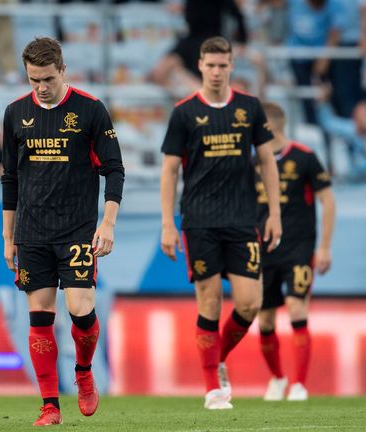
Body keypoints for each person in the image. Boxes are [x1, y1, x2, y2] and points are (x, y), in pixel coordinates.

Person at [1, 37, 124, 426]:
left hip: (77, 229)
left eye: (48, 78)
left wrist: (108, 222)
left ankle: (84, 371)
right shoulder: (15, 113)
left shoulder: (90, 110)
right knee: (39, 316)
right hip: (32, 232)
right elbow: (9, 178)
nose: (41, 86)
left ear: (63, 71)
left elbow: (114, 169)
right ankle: (49, 404)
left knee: (80, 310)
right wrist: (9, 237)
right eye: (34, 78)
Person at [159, 36, 282, 410]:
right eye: (209, 65)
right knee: (209, 302)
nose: (215, 72)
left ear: (231, 66)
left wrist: (274, 213)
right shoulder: (183, 113)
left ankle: (219, 356)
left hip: (243, 219)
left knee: (249, 303)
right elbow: (169, 170)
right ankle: (213, 387)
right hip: (199, 222)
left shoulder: (249, 108)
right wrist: (168, 222)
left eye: (222, 65)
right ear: (200, 66)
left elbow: (267, 161)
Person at [256, 102, 335, 402]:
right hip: (263, 251)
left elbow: (328, 200)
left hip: (299, 248)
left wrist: (324, 246)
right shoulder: (253, 162)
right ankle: (277, 378)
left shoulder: (304, 157)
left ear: (269, 127)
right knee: (264, 320)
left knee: (296, 307)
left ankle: (300, 384)